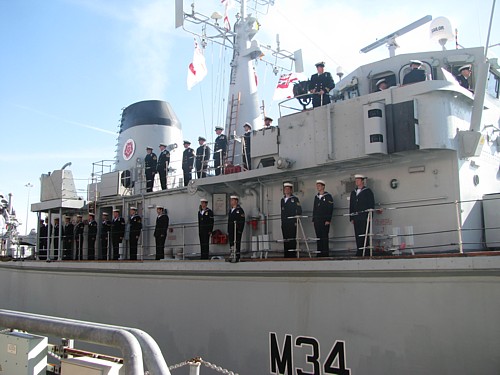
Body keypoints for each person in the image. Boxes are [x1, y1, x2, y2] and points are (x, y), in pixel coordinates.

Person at [349, 174, 375, 257]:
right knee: (358, 235)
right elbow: (351, 205)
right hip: (356, 217)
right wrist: (351, 217)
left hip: (364, 216)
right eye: (356, 180)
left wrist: (370, 216)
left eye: (358, 180)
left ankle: (366, 251)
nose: (356, 181)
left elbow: (371, 204)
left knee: (364, 234)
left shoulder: (367, 191)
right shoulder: (353, 192)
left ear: (362, 181)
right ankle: (359, 251)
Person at [312, 180, 334, 257]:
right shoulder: (316, 197)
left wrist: (328, 220)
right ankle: (319, 252)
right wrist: (313, 219)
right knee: (318, 237)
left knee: (324, 236)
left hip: (324, 221)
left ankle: (325, 253)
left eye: (319, 185)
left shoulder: (328, 197)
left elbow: (330, 208)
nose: (318, 187)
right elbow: (314, 209)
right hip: (317, 220)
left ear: (323, 186)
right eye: (317, 185)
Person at [281, 182, 302, 258]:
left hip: (292, 222)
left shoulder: (295, 199)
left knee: (292, 238)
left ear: (291, 190)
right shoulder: (282, 200)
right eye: (285, 189)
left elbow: (299, 210)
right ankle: (286, 254)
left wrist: (296, 220)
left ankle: (292, 254)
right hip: (284, 222)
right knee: (285, 238)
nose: (286, 190)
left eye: (288, 189)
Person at [227, 195, 245, 261]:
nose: (231, 201)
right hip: (231, 230)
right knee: (231, 242)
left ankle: (237, 256)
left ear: (236, 201)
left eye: (232, 200)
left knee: (237, 242)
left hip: (237, 230)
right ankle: (232, 254)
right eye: (231, 200)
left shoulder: (240, 210)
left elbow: (242, 220)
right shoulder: (231, 210)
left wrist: (240, 230)